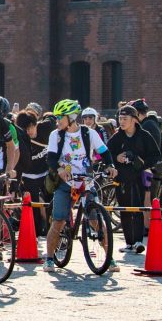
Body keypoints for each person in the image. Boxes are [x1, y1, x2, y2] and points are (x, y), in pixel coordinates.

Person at [42, 99, 117, 273]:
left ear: (71, 118)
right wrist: (60, 169)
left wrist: (110, 166)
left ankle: (109, 258)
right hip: (65, 182)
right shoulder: (56, 135)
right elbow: (51, 158)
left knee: (96, 220)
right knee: (58, 221)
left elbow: (104, 152)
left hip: (85, 181)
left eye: (60, 117)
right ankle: (50, 258)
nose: (57, 121)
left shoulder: (89, 133)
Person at [106, 105, 160, 254]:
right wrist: (116, 158)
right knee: (124, 210)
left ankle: (138, 241)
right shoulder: (117, 137)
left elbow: (155, 155)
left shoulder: (144, 135)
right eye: (120, 118)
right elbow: (106, 155)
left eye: (125, 119)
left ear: (134, 120)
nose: (122, 122)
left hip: (139, 178)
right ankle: (129, 243)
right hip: (121, 179)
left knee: (137, 209)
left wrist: (141, 163)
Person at [14, 111, 49, 234]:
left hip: (45, 174)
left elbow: (51, 118)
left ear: (36, 124)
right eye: (25, 129)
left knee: (49, 203)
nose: (29, 132)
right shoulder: (20, 140)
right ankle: (36, 231)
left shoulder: (45, 130)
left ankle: (51, 230)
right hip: (28, 177)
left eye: (31, 127)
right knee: (33, 207)